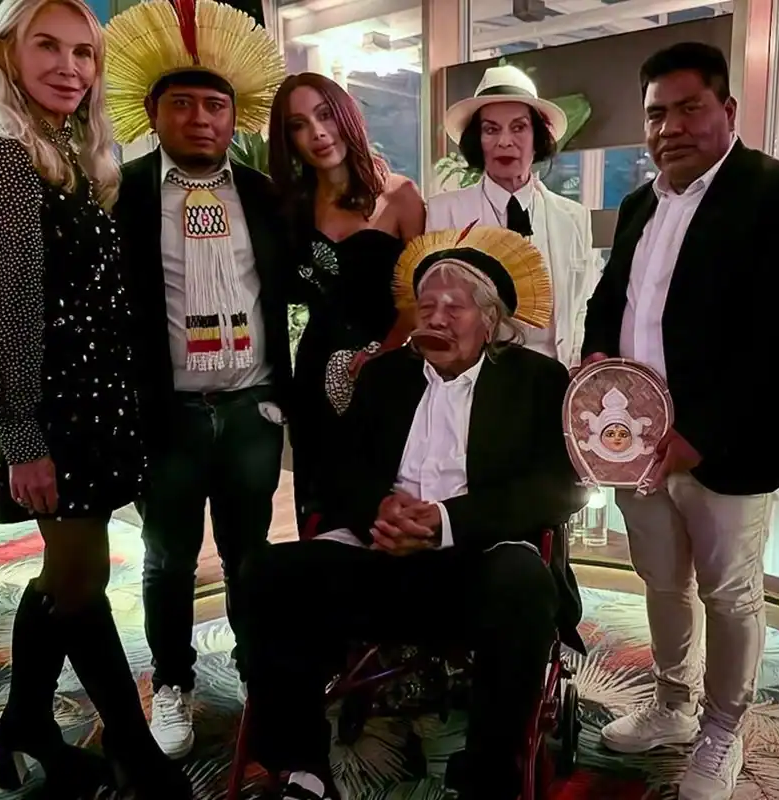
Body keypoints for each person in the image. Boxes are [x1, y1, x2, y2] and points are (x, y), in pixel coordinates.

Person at [239, 226, 586, 800]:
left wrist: (445, 522)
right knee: (266, 575)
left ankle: (488, 776)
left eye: (455, 308)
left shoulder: (536, 379)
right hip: (379, 556)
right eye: (427, 307)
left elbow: (556, 489)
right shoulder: (385, 376)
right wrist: (380, 509)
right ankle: (301, 767)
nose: (437, 319)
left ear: (490, 320)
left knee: (524, 581)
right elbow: (337, 471)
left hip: (476, 563)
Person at [0, 0, 190, 796]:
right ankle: (133, 748)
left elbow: (57, 279)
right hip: (52, 409)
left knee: (68, 577)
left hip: (95, 400)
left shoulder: (66, 152)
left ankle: (28, 721)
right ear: (7, 55)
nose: (68, 66)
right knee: (80, 580)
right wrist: (20, 435)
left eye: (83, 52)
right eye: (47, 46)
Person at [580, 42, 779, 799]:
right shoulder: (640, 203)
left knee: (729, 593)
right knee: (661, 581)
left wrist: (701, 435)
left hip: (727, 449)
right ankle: (672, 704)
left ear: (728, 109)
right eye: (657, 113)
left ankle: (723, 727)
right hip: (636, 445)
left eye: (690, 108)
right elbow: (612, 300)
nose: (671, 128)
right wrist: (596, 365)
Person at [103, 0, 291, 759]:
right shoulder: (121, 192)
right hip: (168, 412)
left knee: (251, 555)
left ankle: (257, 672)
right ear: (154, 114)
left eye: (215, 106)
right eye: (182, 104)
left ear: (235, 117)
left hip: (251, 408)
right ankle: (173, 683)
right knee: (168, 559)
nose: (201, 119)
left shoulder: (265, 195)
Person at [266, 71, 425, 531]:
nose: (317, 133)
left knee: (385, 506)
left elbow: (418, 298)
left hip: (389, 373)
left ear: (346, 116)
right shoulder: (290, 207)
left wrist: (382, 355)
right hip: (313, 377)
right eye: (298, 125)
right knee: (320, 506)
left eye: (325, 115)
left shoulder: (400, 196)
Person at [428, 64, 601, 368]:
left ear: (537, 137)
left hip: (555, 375)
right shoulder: (445, 212)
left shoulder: (574, 217)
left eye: (519, 128)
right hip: (475, 378)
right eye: (491, 130)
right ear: (477, 140)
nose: (505, 141)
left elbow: (585, 303)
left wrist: (578, 363)